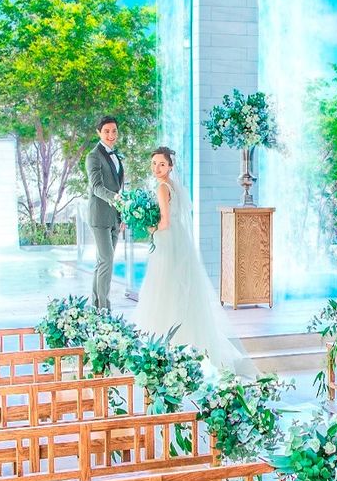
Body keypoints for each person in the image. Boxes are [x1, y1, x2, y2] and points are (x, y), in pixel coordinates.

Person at [132, 146, 256, 375]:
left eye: (161, 164)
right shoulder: (174, 186)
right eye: (154, 164)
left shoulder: (162, 187)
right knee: (179, 289)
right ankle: (186, 341)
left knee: (163, 289)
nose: (156, 168)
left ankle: (166, 342)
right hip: (179, 240)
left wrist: (149, 228)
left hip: (167, 242)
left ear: (170, 166)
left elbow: (165, 222)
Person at [85, 115, 124, 310]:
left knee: (103, 261)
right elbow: (97, 187)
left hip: (114, 217)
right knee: (106, 260)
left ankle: (95, 307)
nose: (111, 135)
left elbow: (118, 186)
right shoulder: (93, 156)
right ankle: (104, 309)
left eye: (114, 131)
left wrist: (122, 215)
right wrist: (116, 199)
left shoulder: (115, 155)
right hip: (99, 216)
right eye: (107, 131)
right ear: (99, 133)